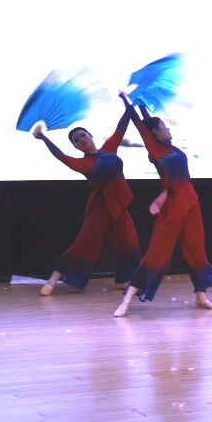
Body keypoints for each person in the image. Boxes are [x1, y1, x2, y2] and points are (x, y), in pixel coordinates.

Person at [113, 92, 212, 317]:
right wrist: (127, 101)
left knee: (196, 250)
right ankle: (126, 301)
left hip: (191, 202)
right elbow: (141, 124)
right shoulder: (155, 149)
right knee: (156, 254)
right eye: (164, 126)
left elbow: (147, 121)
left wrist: (143, 104)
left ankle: (201, 296)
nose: (168, 128)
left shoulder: (171, 148)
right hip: (173, 205)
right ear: (156, 132)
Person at [31, 112, 141, 296]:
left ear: (90, 135)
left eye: (83, 135)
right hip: (99, 209)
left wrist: (129, 106)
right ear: (76, 146)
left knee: (129, 243)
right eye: (77, 140)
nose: (81, 139)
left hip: (119, 206)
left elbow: (121, 128)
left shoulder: (109, 149)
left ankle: (123, 280)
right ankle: (53, 280)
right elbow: (60, 156)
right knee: (82, 245)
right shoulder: (83, 163)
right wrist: (43, 138)